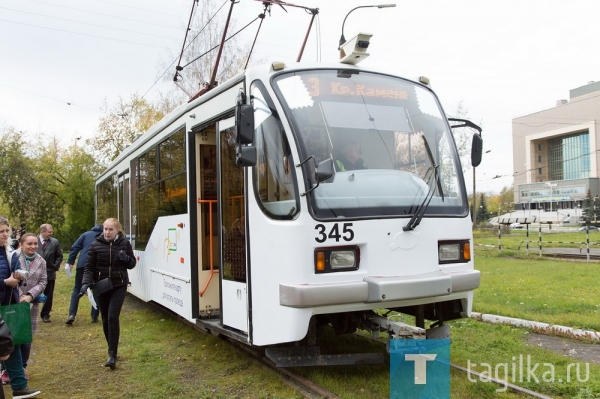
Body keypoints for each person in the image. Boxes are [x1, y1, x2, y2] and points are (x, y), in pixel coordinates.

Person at [81, 218, 136, 369]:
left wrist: (126, 259)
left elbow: (132, 264)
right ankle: (111, 348)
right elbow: (89, 267)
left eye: (110, 229)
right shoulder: (95, 245)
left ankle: (112, 354)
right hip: (101, 286)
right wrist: (85, 283)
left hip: (119, 285)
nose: (107, 232)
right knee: (105, 318)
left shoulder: (124, 244)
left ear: (117, 230)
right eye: (105, 229)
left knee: (112, 316)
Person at [0, 216, 41, 398]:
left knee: (12, 343)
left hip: (8, 304)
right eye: (1, 231)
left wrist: (16, 277)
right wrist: (4, 282)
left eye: (7, 230)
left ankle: (19, 386)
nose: (5, 234)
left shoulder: (8, 251)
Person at [15, 233, 47, 378]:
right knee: (11, 336)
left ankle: (22, 367)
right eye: (29, 244)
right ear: (21, 244)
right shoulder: (13, 257)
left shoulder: (41, 261)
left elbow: (43, 282)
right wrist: (19, 295)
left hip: (30, 304)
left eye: (35, 244)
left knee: (26, 337)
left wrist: (30, 295)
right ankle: (6, 369)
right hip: (13, 302)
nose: (33, 246)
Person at [65, 225, 103, 325]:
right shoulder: (104, 236)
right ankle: (94, 317)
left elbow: (75, 247)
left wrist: (70, 262)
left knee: (77, 288)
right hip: (97, 265)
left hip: (83, 264)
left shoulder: (86, 234)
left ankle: (72, 314)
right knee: (97, 289)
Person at [37, 223, 63, 323]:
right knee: (33, 294)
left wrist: (55, 265)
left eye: (52, 232)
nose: (51, 233)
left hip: (49, 272)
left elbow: (59, 256)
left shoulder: (54, 242)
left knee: (48, 294)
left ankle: (45, 314)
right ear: (42, 232)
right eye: (49, 232)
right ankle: (30, 313)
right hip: (35, 273)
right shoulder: (34, 241)